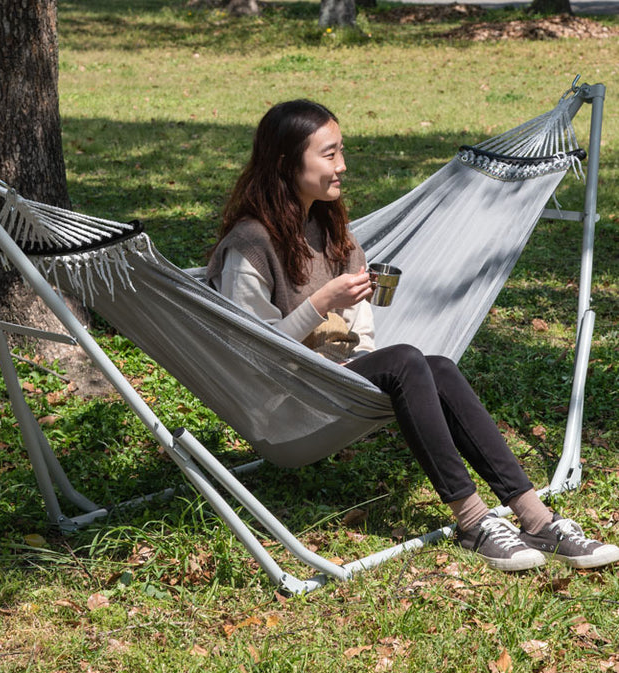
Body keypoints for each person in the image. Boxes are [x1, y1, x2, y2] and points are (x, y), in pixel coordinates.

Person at [206, 99, 619, 572]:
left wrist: (356, 359)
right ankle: (472, 520)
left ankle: (536, 517)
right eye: (329, 154)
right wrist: (321, 304)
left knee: (436, 365)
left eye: (342, 151)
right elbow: (251, 352)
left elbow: (360, 329)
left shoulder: (329, 226)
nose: (342, 166)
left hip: (334, 384)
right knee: (405, 360)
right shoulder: (250, 246)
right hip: (285, 404)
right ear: (286, 162)